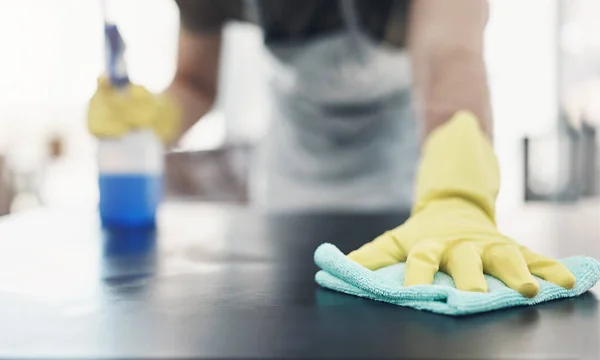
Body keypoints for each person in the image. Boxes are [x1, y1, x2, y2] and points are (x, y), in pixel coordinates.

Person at [88, 0, 576, 298]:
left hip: (413, 184)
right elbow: (195, 81)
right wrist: (149, 119)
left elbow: (449, 56)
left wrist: (458, 194)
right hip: (291, 184)